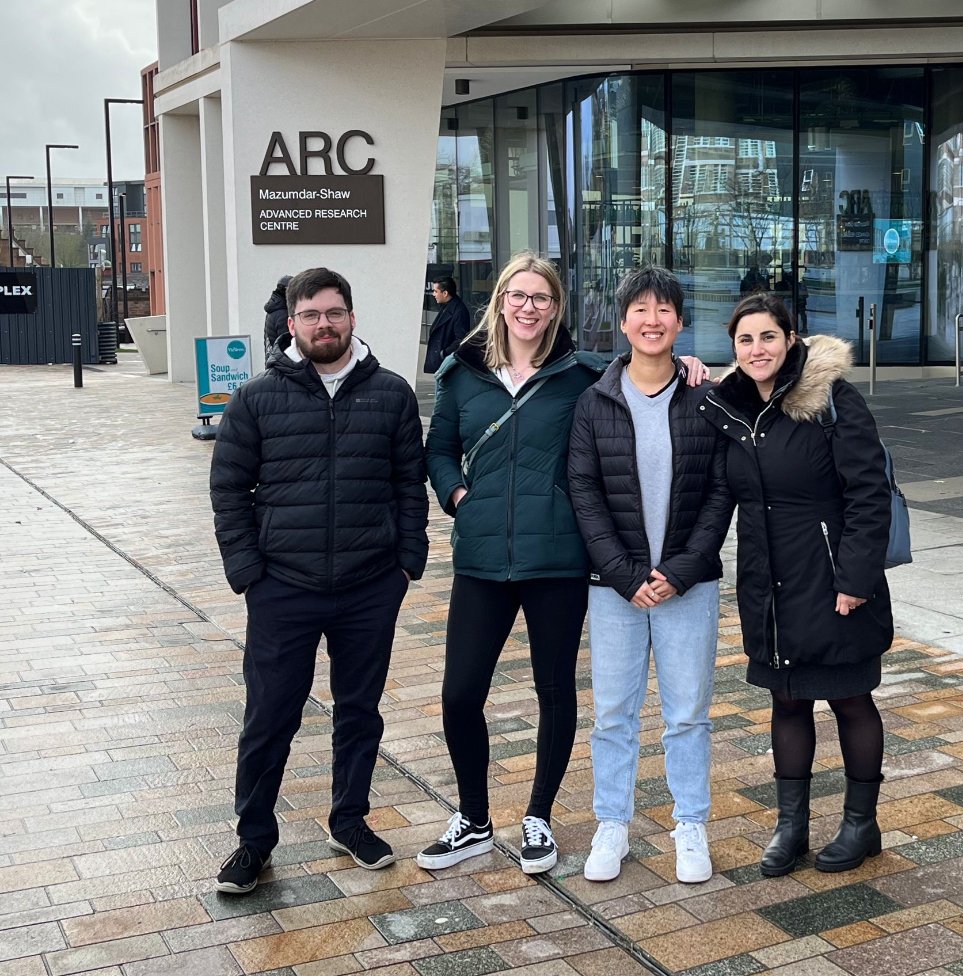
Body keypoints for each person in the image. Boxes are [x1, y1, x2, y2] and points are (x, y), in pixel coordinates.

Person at [419, 251, 709, 876]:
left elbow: (641, 371)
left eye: (542, 298)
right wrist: (457, 496)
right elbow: (439, 449)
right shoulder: (461, 373)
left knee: (556, 690)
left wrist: (686, 363)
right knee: (460, 691)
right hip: (481, 556)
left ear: (556, 309)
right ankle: (471, 817)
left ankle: (539, 819)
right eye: (518, 295)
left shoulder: (581, 374)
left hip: (558, 558)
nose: (529, 307)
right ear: (500, 301)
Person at [210, 267, 428, 894]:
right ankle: (253, 841)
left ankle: (349, 820)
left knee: (359, 711)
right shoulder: (256, 397)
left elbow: (407, 486)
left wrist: (405, 563)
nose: (323, 325)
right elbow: (229, 489)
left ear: (352, 318)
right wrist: (249, 573)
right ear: (292, 322)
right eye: (310, 315)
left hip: (369, 585)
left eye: (334, 313)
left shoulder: (391, 394)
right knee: (269, 717)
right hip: (284, 587)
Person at [700, 292, 893, 878]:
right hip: (770, 583)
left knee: (850, 699)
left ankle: (861, 824)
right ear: (733, 348)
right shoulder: (730, 408)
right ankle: (792, 828)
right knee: (787, 701)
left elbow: (869, 492)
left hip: (833, 579)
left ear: (791, 340)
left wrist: (856, 576)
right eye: (744, 340)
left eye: (767, 337)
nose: (757, 349)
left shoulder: (831, 399)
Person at [567, 266, 732, 884]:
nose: (653, 320)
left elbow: (722, 491)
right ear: (623, 321)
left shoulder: (704, 397)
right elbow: (584, 491)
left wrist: (680, 571)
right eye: (641, 309)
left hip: (688, 586)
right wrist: (622, 572)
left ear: (681, 323)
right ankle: (613, 823)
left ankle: (691, 825)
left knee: (688, 712)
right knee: (613, 711)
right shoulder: (595, 400)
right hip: (615, 590)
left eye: (664, 310)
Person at [423, 276, 472, 374]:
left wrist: (444, 353)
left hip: (449, 365)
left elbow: (461, 339)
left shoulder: (458, 311)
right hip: (443, 363)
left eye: (436, 291)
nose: (433, 294)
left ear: (445, 293)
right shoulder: (446, 307)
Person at [262, 274, 292, 350]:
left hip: (273, 357)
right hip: (282, 359)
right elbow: (286, 345)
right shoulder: (283, 312)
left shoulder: (274, 307)